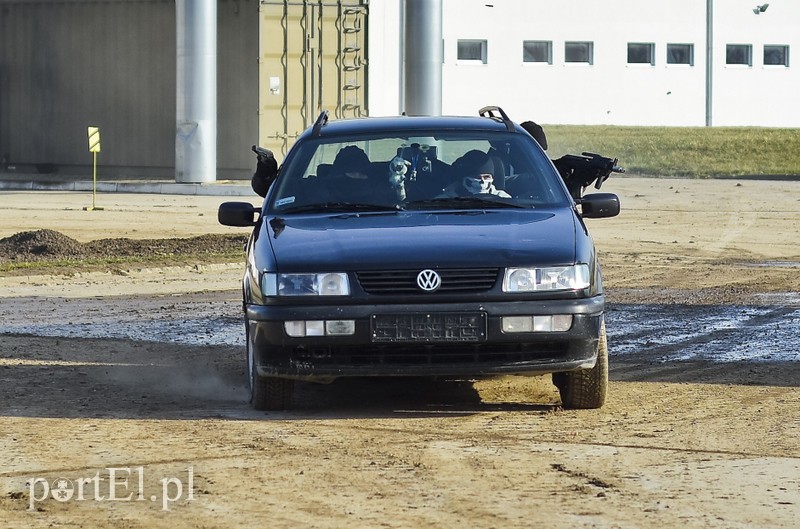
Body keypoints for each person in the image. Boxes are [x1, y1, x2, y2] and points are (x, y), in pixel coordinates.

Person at [439, 150, 510, 198]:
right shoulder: (444, 202)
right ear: (463, 178)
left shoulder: (505, 200)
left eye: (486, 177)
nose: (482, 181)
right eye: (477, 177)